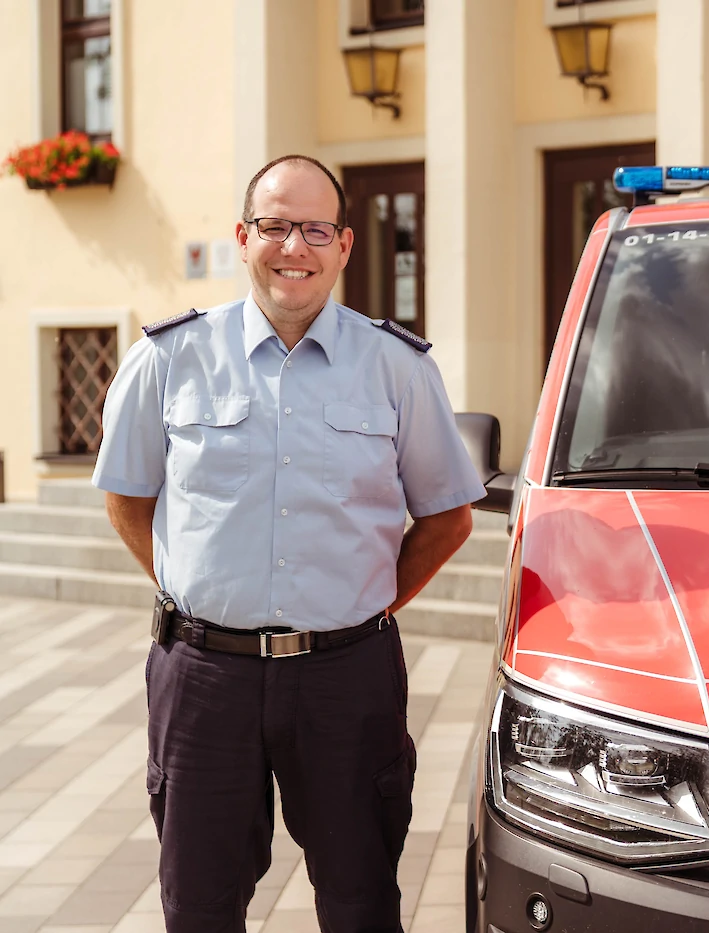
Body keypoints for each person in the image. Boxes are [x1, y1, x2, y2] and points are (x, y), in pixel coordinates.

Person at [93, 153, 485, 933]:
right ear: (243, 238)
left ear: (344, 244)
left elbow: (447, 517)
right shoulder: (168, 359)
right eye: (274, 226)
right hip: (204, 680)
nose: (292, 247)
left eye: (313, 228)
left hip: (348, 678)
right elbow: (127, 500)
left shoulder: (396, 368)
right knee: (199, 906)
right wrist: (193, 588)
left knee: (361, 901)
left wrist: (361, 603)